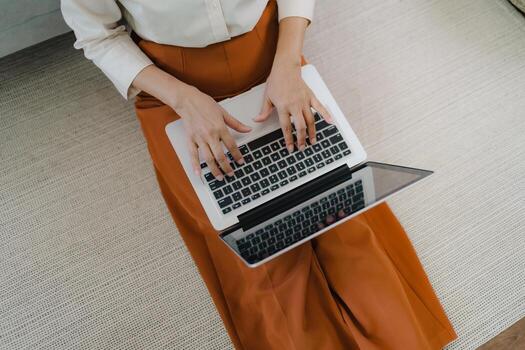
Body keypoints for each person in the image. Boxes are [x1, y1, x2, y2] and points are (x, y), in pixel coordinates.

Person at [61, 1, 457, 349]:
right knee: (246, 242)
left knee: (339, 205)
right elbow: (98, 36)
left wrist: (287, 64)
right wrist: (185, 100)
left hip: (271, 53)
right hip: (173, 85)